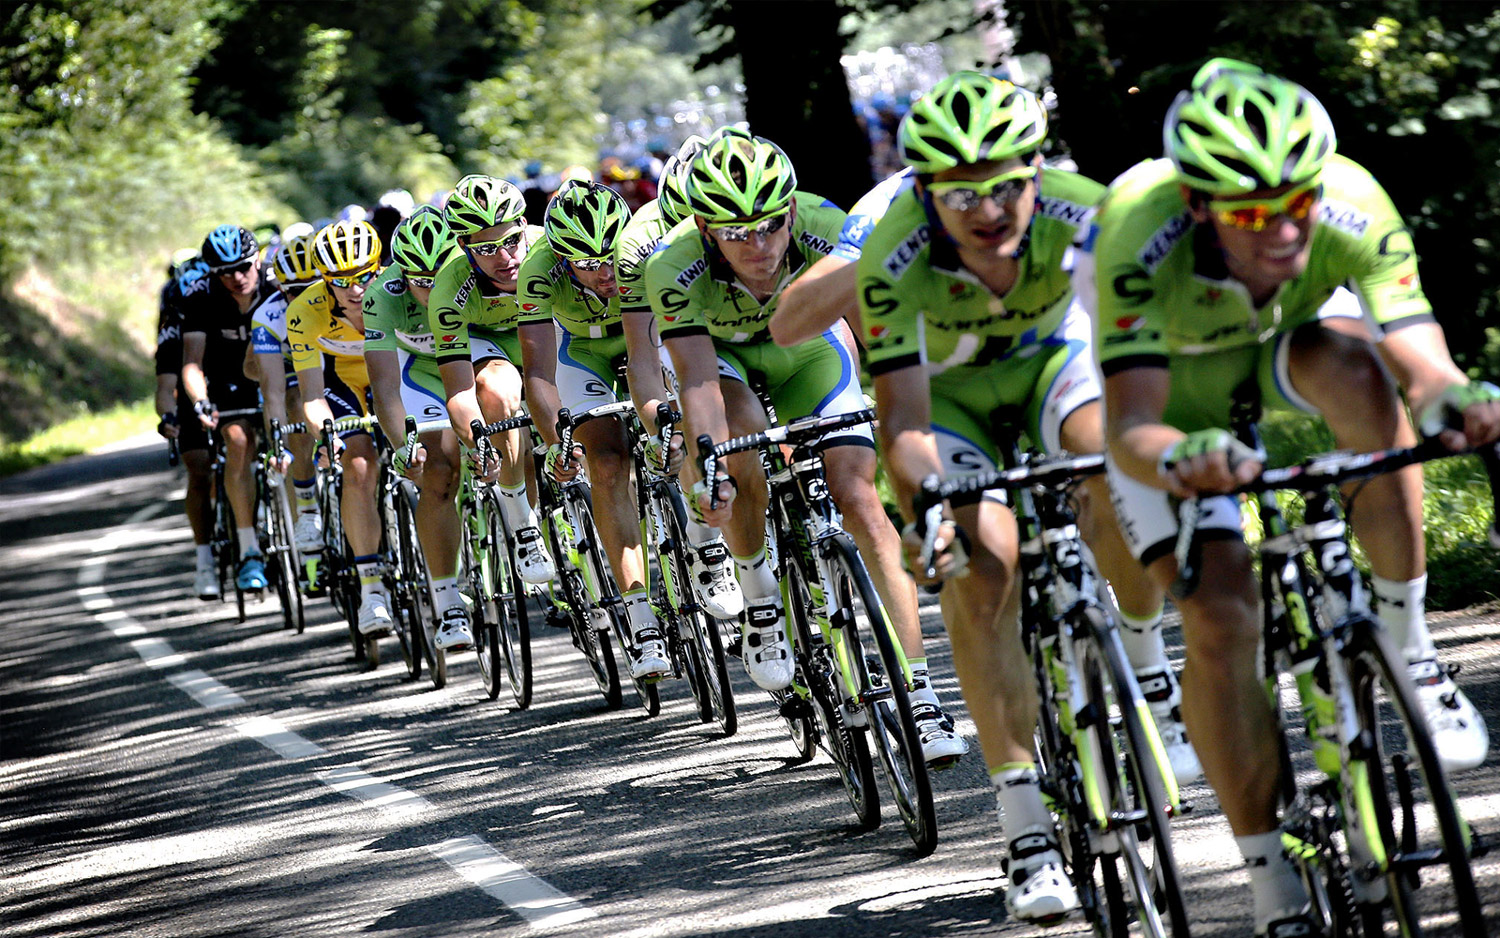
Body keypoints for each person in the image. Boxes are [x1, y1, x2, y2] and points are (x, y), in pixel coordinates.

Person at [1084, 58, 1496, 937]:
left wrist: (1453, 398)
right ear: (1197, 206)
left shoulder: (1349, 196)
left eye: (1294, 205)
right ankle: (1268, 874)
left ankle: (1408, 641)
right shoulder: (1134, 225)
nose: (1278, 230)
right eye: (1245, 212)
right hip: (1172, 389)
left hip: (1279, 343)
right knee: (1223, 617)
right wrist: (1185, 455)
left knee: (1363, 378)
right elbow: (1129, 427)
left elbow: (1416, 350)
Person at [859, 71, 1197, 923]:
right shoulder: (891, 252)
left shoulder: (1086, 211)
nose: (989, 208)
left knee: (1102, 462)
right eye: (962, 193)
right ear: (924, 192)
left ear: (1038, 171)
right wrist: (929, 507)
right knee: (987, 571)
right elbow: (900, 417)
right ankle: (1025, 831)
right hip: (954, 400)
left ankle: (1148, 665)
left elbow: (1140, 347)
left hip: (1055, 365)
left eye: (1009, 183)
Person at [645, 130, 966, 766]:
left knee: (859, 497)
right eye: (736, 234)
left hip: (808, 352)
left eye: (770, 227)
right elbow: (699, 382)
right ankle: (760, 587)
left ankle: (922, 694)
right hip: (725, 363)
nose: (759, 248)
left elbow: (872, 331)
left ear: (792, 212)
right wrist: (708, 464)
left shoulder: (827, 226)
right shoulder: (670, 267)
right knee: (736, 451)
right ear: (706, 230)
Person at [516, 180, 669, 680]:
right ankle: (641, 616)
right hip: (580, 353)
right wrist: (556, 440)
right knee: (606, 463)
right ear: (562, 261)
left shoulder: (644, 248)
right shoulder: (537, 271)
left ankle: (707, 551)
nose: (605, 273)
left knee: (682, 435)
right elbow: (537, 371)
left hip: (644, 338)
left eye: (609, 258)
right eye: (586, 264)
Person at [616, 134, 744, 621]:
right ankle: (707, 544)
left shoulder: (752, 230)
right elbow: (645, 357)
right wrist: (658, 424)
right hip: (672, 321)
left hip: (737, 312)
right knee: (695, 412)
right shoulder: (639, 247)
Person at [429, 174, 556, 587]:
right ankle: (521, 519)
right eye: (486, 249)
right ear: (464, 246)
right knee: (497, 392)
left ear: (525, 229)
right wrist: (477, 442)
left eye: (511, 241)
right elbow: (460, 391)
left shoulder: (550, 246)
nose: (504, 257)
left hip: (548, 329)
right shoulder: (449, 285)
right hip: (490, 343)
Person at [364, 205, 476, 651]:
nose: (430, 289)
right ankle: (448, 602)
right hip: (419, 375)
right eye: (419, 281)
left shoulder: (473, 274)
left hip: (471, 358)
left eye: (438, 277)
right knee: (440, 470)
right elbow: (387, 390)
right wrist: (403, 445)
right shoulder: (382, 294)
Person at [287, 220, 392, 638]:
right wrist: (326, 432)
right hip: (341, 383)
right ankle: (372, 592)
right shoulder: (305, 312)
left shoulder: (400, 291)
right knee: (359, 465)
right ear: (324, 280)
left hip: (395, 372)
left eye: (365, 275)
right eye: (341, 281)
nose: (355, 289)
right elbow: (312, 396)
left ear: (379, 267)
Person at [180, 224, 275, 595]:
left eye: (243, 268)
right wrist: (200, 401)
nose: (236, 278)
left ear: (257, 260)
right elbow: (191, 363)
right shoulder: (200, 295)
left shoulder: (275, 281)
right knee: (237, 441)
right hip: (225, 379)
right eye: (224, 273)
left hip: (274, 371)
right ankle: (249, 548)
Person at [246, 233, 325, 576]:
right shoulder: (269, 316)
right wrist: (279, 441)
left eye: (313, 286)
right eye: (295, 291)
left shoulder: (346, 299)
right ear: (281, 290)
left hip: (335, 365)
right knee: (295, 403)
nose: (304, 297)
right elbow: (273, 391)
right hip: (291, 370)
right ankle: (306, 508)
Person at [154, 251, 214, 596]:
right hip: (192, 395)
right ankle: (204, 557)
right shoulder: (171, 326)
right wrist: (168, 417)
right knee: (199, 469)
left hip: (228, 387)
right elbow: (165, 386)